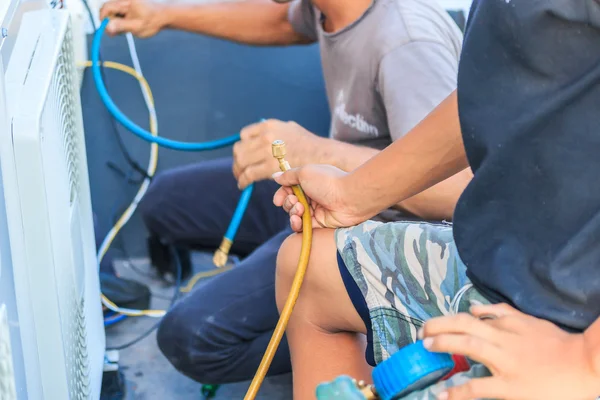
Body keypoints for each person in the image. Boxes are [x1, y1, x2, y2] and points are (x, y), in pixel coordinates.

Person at [99, 0, 472, 384]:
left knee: (192, 339)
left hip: (380, 233)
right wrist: (164, 14)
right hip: (322, 195)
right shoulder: (327, 9)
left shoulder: (406, 41)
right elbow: (282, 20)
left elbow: (458, 191)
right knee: (165, 203)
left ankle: (361, 337)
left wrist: (319, 151)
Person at [273, 0, 600, 398]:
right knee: (307, 268)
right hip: (509, 261)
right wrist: (352, 194)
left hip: (577, 319)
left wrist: (583, 362)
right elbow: (501, 86)